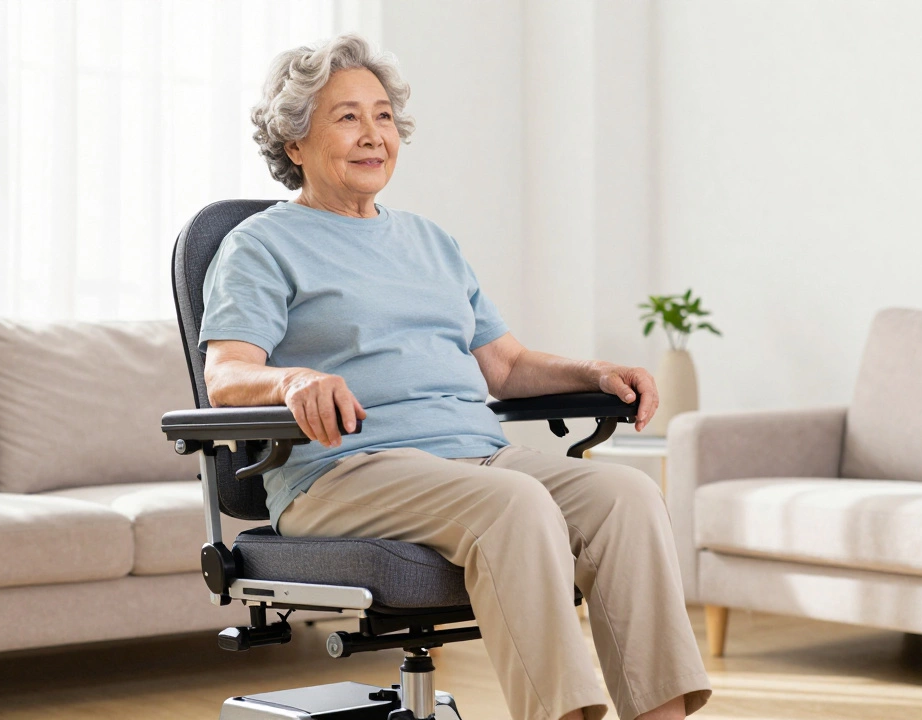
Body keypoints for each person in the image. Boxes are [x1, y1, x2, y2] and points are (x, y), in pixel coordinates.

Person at [198, 33, 711, 720]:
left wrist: (593, 370)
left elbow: (506, 365)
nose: (373, 134)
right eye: (347, 117)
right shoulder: (260, 245)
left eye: (383, 116)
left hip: (475, 457)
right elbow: (227, 373)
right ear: (295, 143)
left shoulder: (430, 241)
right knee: (514, 502)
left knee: (627, 496)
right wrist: (291, 382)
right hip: (345, 470)